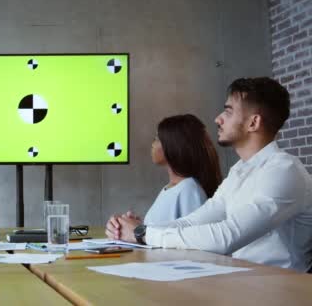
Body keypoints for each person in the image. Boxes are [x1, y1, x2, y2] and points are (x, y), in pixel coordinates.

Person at [107, 77, 312, 272]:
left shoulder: (284, 171)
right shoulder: (240, 171)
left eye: (228, 112)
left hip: (280, 292)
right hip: (240, 283)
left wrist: (142, 234)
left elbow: (226, 236)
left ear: (253, 123)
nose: (218, 119)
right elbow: (193, 221)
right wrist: (132, 230)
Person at [140, 114, 222, 226]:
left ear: (174, 145)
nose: (152, 144)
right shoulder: (170, 188)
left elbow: (193, 238)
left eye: (157, 139)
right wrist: (136, 226)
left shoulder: (189, 190)